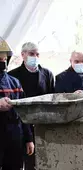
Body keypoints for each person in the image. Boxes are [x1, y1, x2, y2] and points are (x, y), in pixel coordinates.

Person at [8, 42, 55, 170]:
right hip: (22, 125)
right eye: (31, 54)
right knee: (23, 161)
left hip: (43, 125)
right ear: (23, 55)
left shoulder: (48, 74)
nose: (35, 57)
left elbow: (52, 99)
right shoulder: (13, 76)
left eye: (37, 54)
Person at [0, 37, 34, 169]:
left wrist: (29, 139)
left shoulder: (15, 82)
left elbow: (23, 113)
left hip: (14, 139)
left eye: (3, 57)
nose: (2, 60)